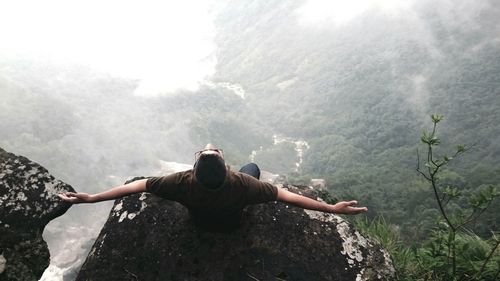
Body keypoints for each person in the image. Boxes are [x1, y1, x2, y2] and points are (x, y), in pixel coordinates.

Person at [59, 144, 367, 232]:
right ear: (226, 169)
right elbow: (288, 197)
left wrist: (90, 198)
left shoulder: (179, 183)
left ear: (193, 170)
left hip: (201, 225)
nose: (210, 147)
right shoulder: (244, 184)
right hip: (233, 224)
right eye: (215, 151)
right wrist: (330, 208)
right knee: (254, 167)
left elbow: (136, 186)